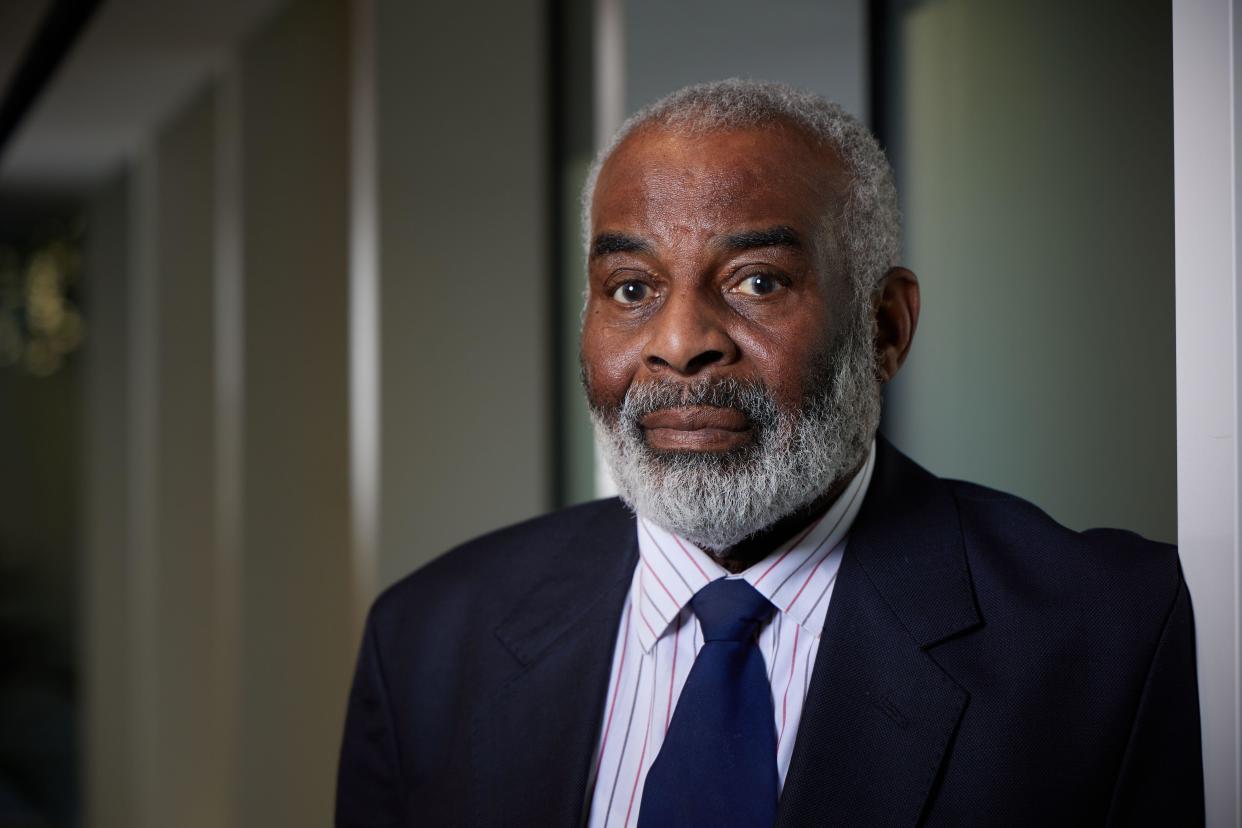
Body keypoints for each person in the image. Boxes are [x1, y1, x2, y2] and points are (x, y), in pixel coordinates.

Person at [335, 80, 1203, 827]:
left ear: (886, 326)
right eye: (631, 289)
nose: (680, 344)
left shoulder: (1113, 636)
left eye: (757, 281)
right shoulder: (427, 644)